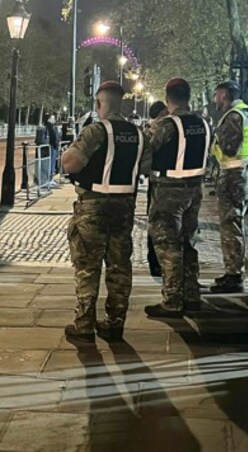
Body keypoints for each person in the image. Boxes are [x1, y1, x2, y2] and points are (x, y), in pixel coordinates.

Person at [62, 81, 149, 342]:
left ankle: (84, 323)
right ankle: (115, 322)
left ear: (100, 103)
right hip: (124, 206)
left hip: (93, 204)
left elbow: (71, 163)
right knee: (119, 265)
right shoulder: (138, 134)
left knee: (87, 265)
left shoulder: (95, 132)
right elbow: (145, 167)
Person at [143, 78, 211, 319]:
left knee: (167, 245)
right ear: (189, 96)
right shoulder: (203, 123)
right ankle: (192, 294)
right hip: (195, 188)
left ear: (168, 97)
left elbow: (146, 152)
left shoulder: (167, 125)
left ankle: (172, 300)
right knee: (188, 242)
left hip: (169, 189)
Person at [209, 80, 248, 293]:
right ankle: (233, 272)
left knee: (231, 227)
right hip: (247, 174)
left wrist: (217, 135)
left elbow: (229, 148)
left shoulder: (233, 116)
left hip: (233, 177)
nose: (214, 100)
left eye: (216, 95)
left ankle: (233, 274)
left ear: (223, 95)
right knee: (236, 224)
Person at [144, 100, 169, 278]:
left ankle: (156, 264)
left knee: (156, 223)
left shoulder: (157, 127)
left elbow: (147, 151)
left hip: (158, 181)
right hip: (185, 183)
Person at [46, 114, 60, 188]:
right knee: (51, 163)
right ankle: (50, 179)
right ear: (49, 119)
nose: (54, 120)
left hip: (53, 147)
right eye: (53, 118)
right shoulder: (50, 127)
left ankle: (51, 179)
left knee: (52, 163)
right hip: (52, 147)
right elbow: (53, 137)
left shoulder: (51, 126)